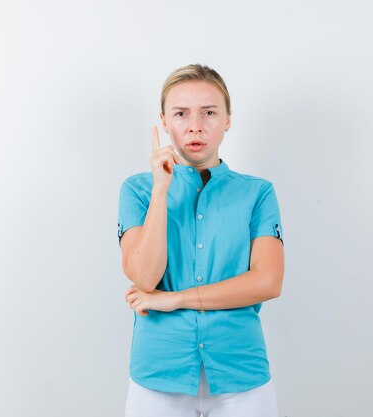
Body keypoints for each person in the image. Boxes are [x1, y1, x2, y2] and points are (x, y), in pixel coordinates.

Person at [117, 64, 285, 417]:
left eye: (209, 112)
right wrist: (162, 192)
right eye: (181, 113)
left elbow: (268, 281)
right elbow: (144, 279)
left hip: (242, 376)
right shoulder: (138, 190)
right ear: (164, 121)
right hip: (159, 375)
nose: (195, 125)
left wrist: (173, 300)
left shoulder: (257, 193)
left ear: (227, 119)